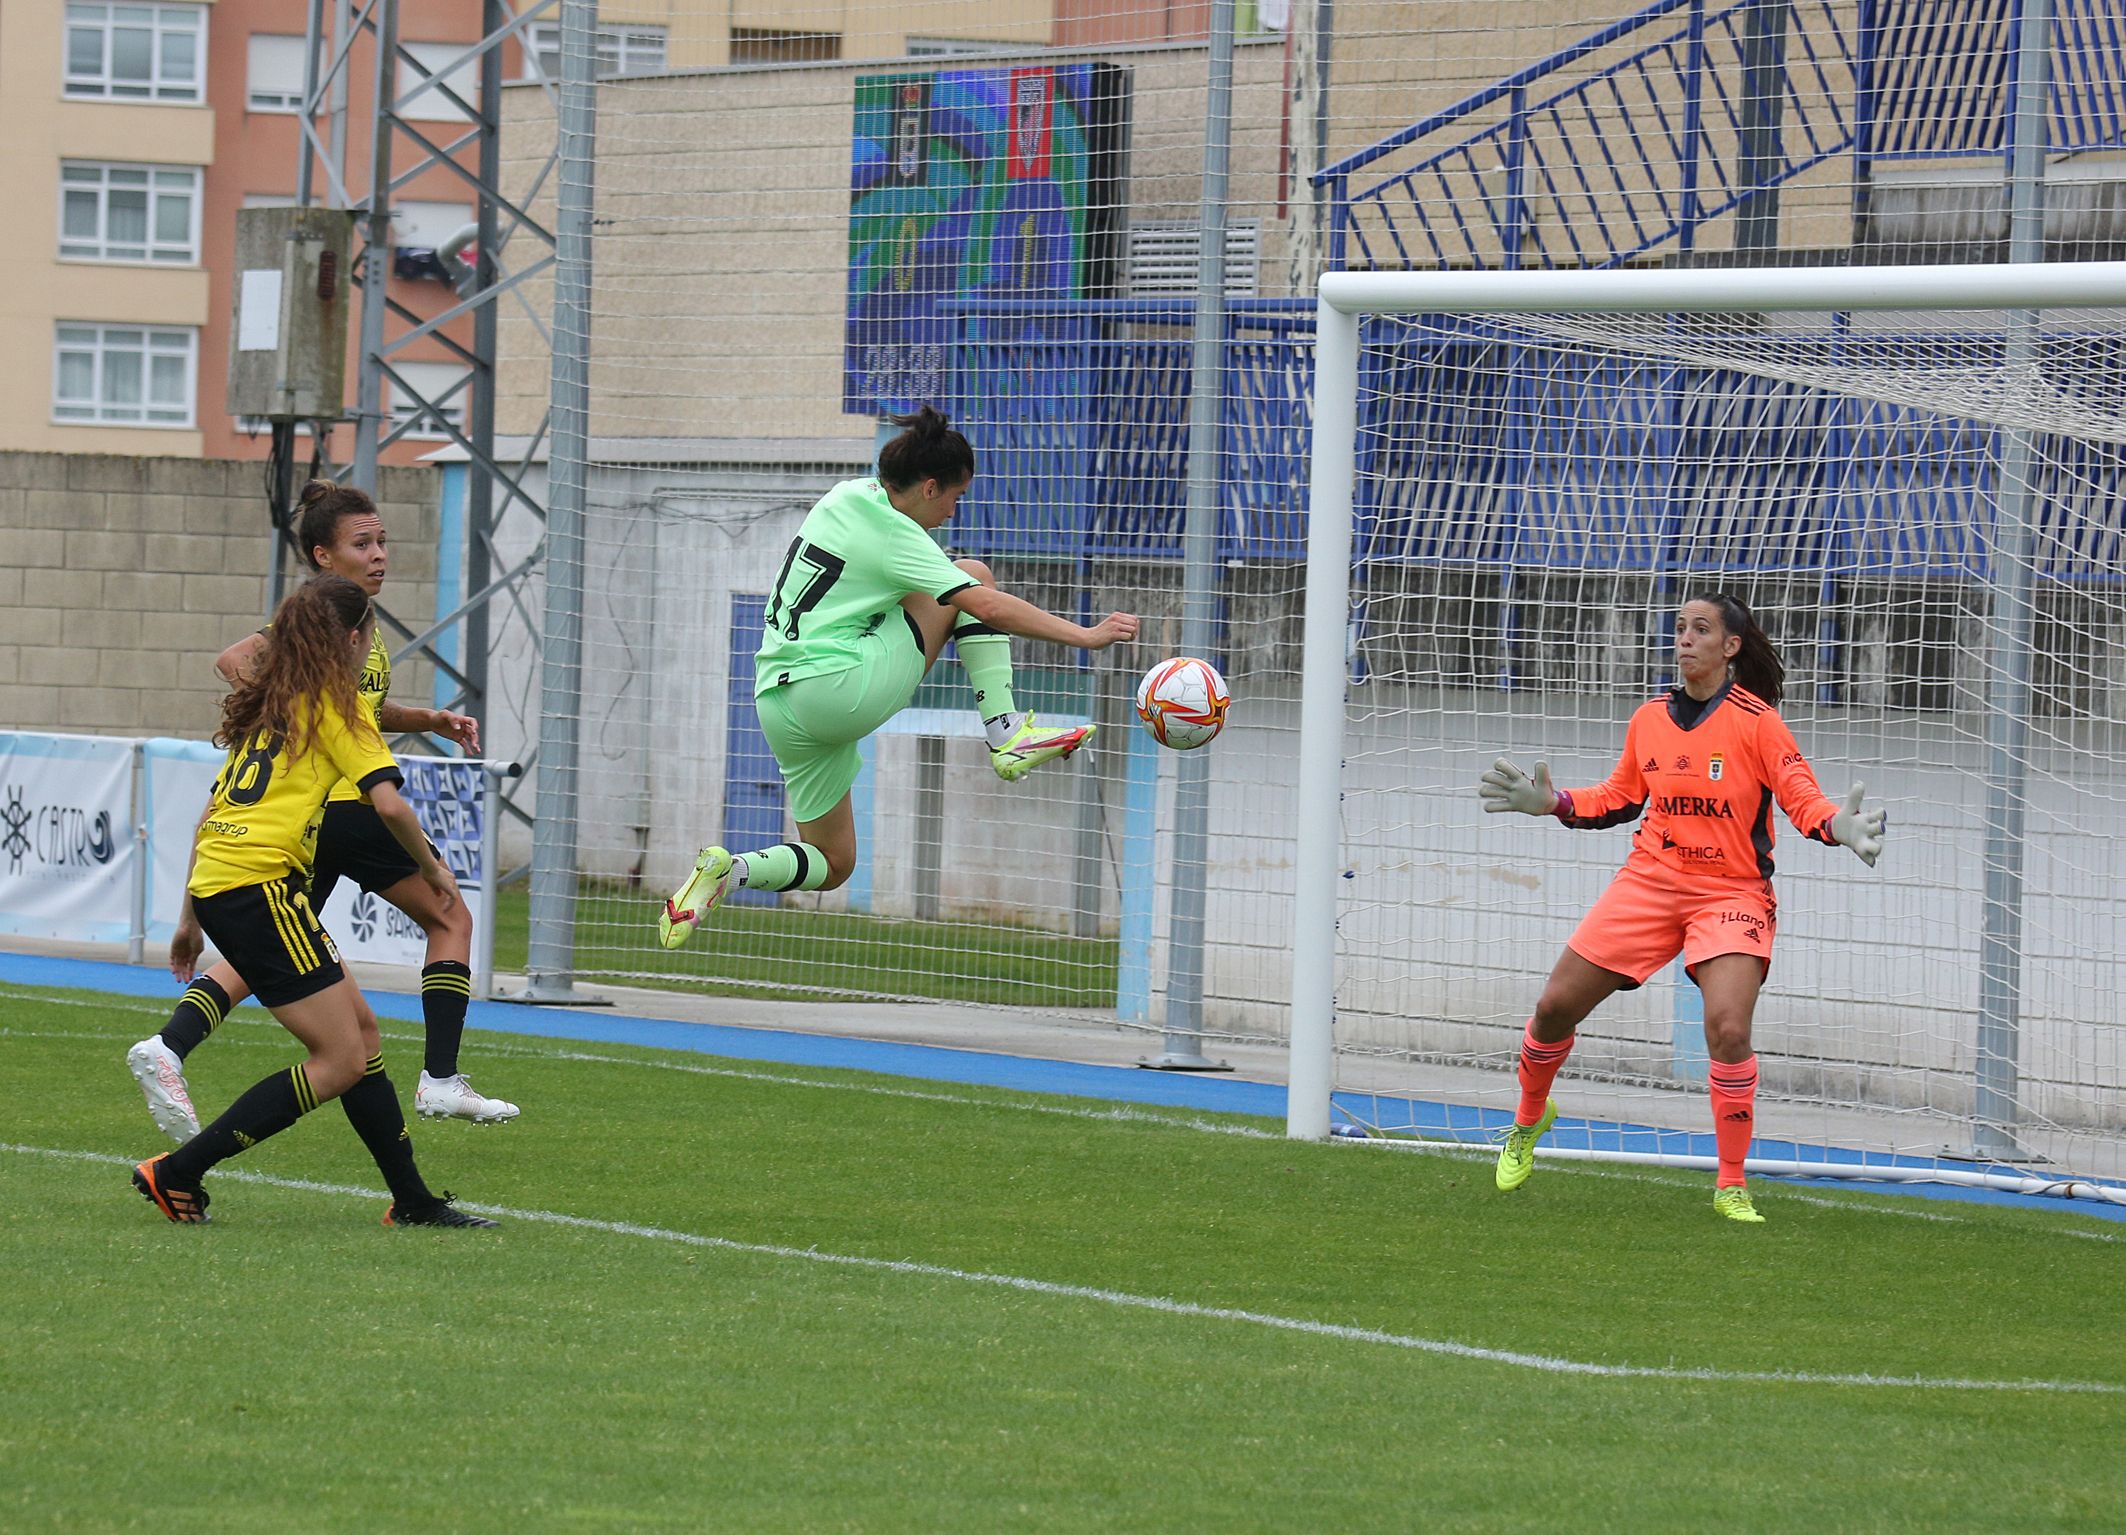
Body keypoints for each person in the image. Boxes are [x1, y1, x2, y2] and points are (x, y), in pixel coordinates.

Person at [1476, 592, 1886, 1223]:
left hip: (1731, 892)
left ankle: (1731, 1183)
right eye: (1680, 628)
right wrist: (1555, 803)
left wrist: (1839, 826)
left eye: (1701, 629)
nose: (1685, 639)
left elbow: (1803, 799)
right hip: (1651, 882)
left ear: (1730, 647)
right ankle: (1529, 1120)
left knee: (1728, 1029)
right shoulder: (1650, 719)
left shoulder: (1759, 723)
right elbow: (1619, 797)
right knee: (1554, 1007)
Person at [659, 406, 1139, 945]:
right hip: (837, 688)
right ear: (930, 487)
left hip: (778, 701)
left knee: (834, 862)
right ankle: (1007, 736)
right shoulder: (895, 534)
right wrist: (1087, 635)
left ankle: (729, 871)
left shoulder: (845, 497)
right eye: (955, 497)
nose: (953, 512)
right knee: (972, 576)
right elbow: (988, 607)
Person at [127, 477, 516, 1138]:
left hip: (309, 823)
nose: (379, 554)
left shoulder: (359, 627)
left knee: (274, 950)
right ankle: (441, 1078)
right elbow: (236, 660)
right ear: (322, 557)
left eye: (383, 541)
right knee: (450, 913)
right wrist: (291, 716)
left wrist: (425, 718)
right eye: (362, 544)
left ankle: (171, 1045)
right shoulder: (320, 620)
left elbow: (358, 708)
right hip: (346, 806)